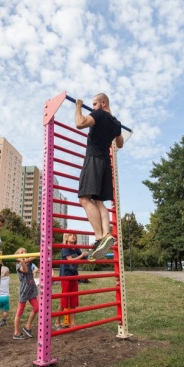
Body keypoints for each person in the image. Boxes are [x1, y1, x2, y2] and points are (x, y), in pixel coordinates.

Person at [75, 93, 124, 261]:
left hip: (93, 159)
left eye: (95, 103)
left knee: (84, 198)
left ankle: (99, 237)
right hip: (105, 163)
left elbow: (79, 123)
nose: (94, 106)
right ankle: (107, 233)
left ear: (103, 103)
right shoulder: (116, 122)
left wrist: (78, 107)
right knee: (99, 201)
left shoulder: (99, 113)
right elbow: (120, 144)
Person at [54, 233, 89, 330]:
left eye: (74, 235)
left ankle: (73, 324)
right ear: (66, 237)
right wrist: (81, 255)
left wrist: (87, 255)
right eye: (70, 235)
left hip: (74, 276)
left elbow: (83, 258)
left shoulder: (76, 248)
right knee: (64, 301)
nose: (73, 236)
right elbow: (70, 260)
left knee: (73, 301)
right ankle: (57, 323)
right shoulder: (65, 248)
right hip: (66, 276)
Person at [13, 248, 38, 340]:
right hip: (24, 290)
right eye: (21, 253)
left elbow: (35, 256)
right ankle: (16, 332)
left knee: (36, 308)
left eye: (25, 252)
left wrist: (27, 259)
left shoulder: (29, 262)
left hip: (31, 289)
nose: (24, 253)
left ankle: (28, 327)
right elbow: (25, 270)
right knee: (20, 311)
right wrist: (23, 261)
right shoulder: (18, 265)